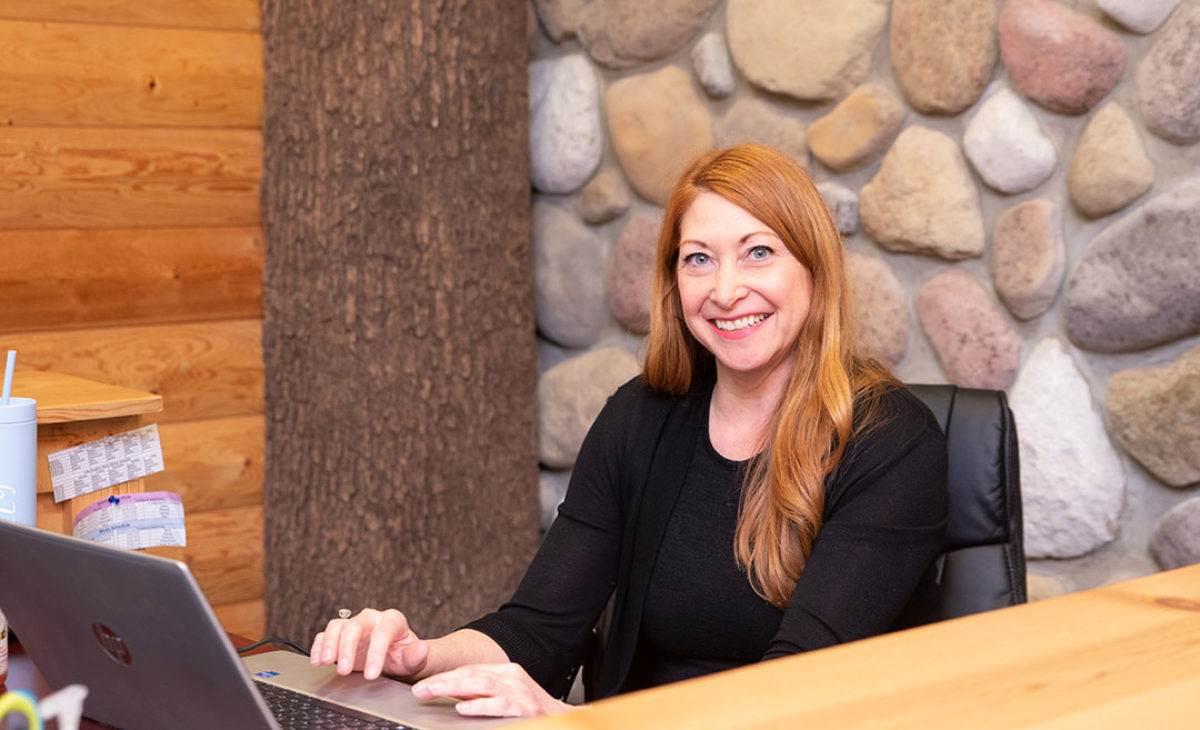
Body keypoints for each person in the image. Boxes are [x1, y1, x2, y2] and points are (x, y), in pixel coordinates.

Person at [310, 144, 949, 718]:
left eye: (759, 252)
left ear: (814, 268)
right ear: (674, 282)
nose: (726, 290)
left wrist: (575, 723)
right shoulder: (642, 416)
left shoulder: (890, 441)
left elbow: (797, 690)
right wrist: (419, 657)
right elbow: (537, 628)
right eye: (699, 259)